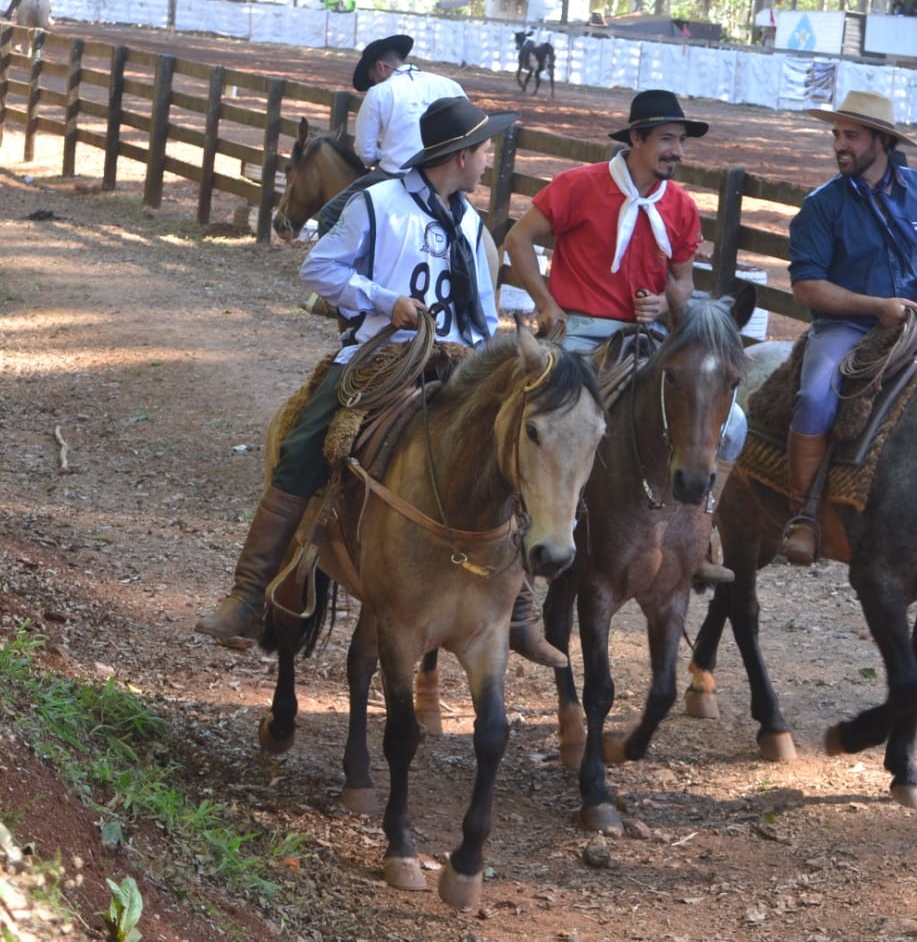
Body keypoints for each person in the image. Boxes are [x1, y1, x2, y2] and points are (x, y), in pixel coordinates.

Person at [195, 96, 566, 666]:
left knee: (517, 443)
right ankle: (248, 595)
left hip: (462, 361)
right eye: (485, 150)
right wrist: (384, 300)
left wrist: (497, 357)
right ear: (461, 155)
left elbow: (479, 311)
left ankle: (516, 608)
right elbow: (318, 268)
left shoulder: (469, 222)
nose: (490, 160)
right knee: (304, 443)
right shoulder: (377, 202)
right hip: (382, 356)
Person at [501, 89, 746, 583]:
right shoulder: (579, 185)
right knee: (537, 416)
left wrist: (666, 304)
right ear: (636, 138)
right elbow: (517, 239)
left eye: (681, 141)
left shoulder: (680, 206)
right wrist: (547, 304)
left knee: (734, 424)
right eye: (667, 140)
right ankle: (510, 529)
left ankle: (700, 531)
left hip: (651, 336)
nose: (677, 150)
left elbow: (682, 283)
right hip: (581, 331)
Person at [779, 90, 917, 565]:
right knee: (816, 395)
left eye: (851, 136)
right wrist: (877, 306)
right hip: (848, 326)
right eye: (837, 135)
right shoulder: (823, 206)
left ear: (881, 141)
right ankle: (803, 513)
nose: (840, 145)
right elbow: (806, 285)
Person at [311, 34, 465, 236]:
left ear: (381, 67)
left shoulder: (380, 92)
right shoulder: (449, 86)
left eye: (372, 78)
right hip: (446, 176)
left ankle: (336, 266)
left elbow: (365, 151)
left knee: (330, 214)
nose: (373, 83)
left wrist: (378, 156)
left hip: (397, 175)